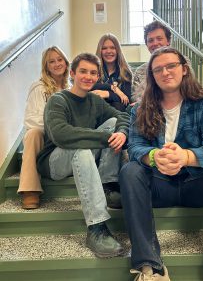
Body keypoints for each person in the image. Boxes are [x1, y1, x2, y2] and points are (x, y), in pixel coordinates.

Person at [119, 46, 203, 281]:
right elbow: (134, 147)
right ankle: (151, 268)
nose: (165, 72)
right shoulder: (140, 110)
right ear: (152, 76)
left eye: (171, 66)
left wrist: (186, 156)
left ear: (184, 69)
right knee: (130, 170)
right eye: (158, 69)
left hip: (198, 186)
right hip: (160, 188)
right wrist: (155, 157)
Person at [36, 53, 130, 257]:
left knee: (114, 126)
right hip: (55, 161)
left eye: (93, 73)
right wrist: (104, 138)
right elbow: (62, 134)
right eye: (83, 71)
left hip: (83, 156)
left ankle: (107, 186)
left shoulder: (94, 101)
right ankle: (96, 228)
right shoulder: (58, 100)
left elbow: (121, 116)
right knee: (82, 149)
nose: (88, 76)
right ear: (72, 73)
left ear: (98, 77)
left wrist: (121, 133)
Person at [18, 46, 69, 209]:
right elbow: (31, 120)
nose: (56, 64)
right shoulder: (39, 88)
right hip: (47, 136)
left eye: (59, 60)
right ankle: (30, 190)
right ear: (46, 66)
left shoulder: (71, 88)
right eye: (51, 62)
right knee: (32, 133)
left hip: (66, 137)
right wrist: (56, 126)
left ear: (66, 63)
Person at [91, 33, 133, 112]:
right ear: (100, 51)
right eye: (104, 48)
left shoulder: (125, 73)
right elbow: (91, 87)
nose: (108, 51)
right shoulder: (93, 69)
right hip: (95, 111)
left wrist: (108, 94)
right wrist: (114, 89)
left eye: (113, 48)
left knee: (117, 105)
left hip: (117, 113)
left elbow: (126, 100)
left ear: (118, 50)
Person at [131, 21, 171, 103]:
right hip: (148, 111)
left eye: (159, 39)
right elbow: (136, 98)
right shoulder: (140, 71)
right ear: (146, 44)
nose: (155, 43)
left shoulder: (180, 64)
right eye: (151, 40)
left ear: (168, 41)